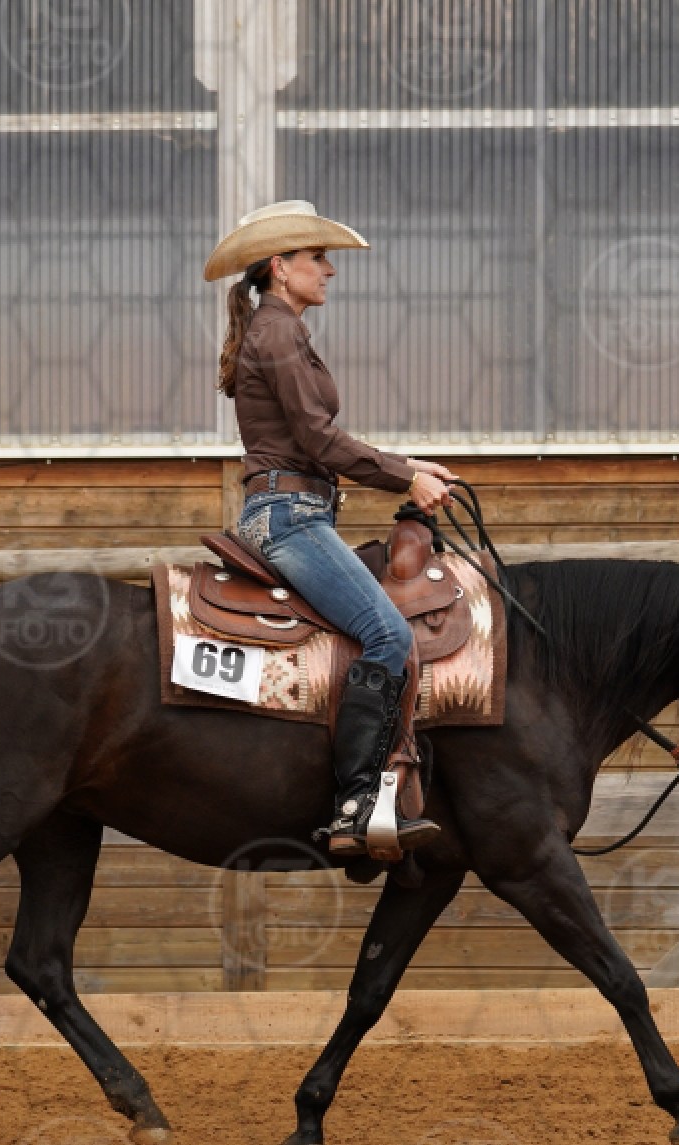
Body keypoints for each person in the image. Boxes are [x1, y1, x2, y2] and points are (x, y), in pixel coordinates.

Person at [206, 200, 457, 859]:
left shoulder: (279, 329)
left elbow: (316, 439)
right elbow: (319, 439)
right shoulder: (278, 333)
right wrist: (405, 480)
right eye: (318, 258)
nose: (329, 270)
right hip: (289, 519)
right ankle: (357, 803)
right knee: (388, 634)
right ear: (280, 266)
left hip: (295, 510)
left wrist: (410, 466)